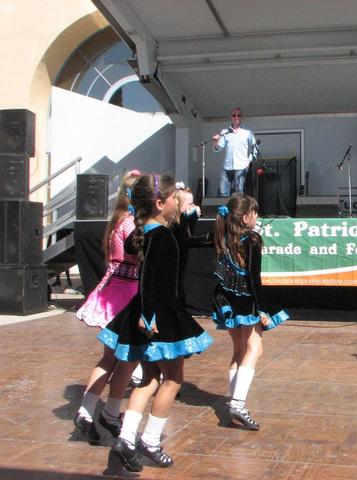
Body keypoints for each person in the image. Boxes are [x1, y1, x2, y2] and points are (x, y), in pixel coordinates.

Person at [98, 173, 213, 472]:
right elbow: (149, 281)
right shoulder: (161, 236)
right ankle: (149, 440)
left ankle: (125, 439)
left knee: (149, 379)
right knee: (173, 379)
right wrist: (149, 317)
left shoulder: (148, 234)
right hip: (160, 315)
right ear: (160, 203)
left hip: (151, 313)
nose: (178, 201)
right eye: (175, 197)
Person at [73, 170, 141, 443]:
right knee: (125, 358)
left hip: (113, 290)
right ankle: (107, 413)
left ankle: (89, 411)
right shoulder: (130, 224)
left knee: (111, 358)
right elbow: (136, 258)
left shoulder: (117, 221)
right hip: (125, 294)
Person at [211, 193, 288, 429]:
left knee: (239, 349)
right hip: (245, 300)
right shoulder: (252, 239)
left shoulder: (223, 236)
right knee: (255, 348)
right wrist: (262, 308)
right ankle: (238, 402)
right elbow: (254, 279)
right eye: (255, 213)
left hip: (225, 298)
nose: (258, 217)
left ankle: (234, 400)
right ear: (246, 217)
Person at [212, 108, 256, 197]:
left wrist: (249, 161)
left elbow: (254, 148)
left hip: (241, 166)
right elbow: (218, 148)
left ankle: (238, 211)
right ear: (231, 117)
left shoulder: (247, 133)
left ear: (241, 117)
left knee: (239, 192)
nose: (236, 117)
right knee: (223, 191)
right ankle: (225, 210)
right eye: (234, 115)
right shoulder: (225, 132)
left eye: (238, 115)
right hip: (227, 166)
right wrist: (215, 142)